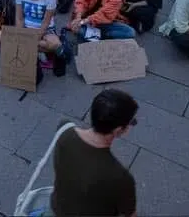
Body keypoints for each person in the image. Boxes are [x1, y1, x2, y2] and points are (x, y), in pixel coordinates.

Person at [51, 88, 138, 217]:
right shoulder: (121, 177)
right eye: (131, 122)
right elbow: (130, 214)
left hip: (59, 208)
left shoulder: (64, 128)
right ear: (118, 130)